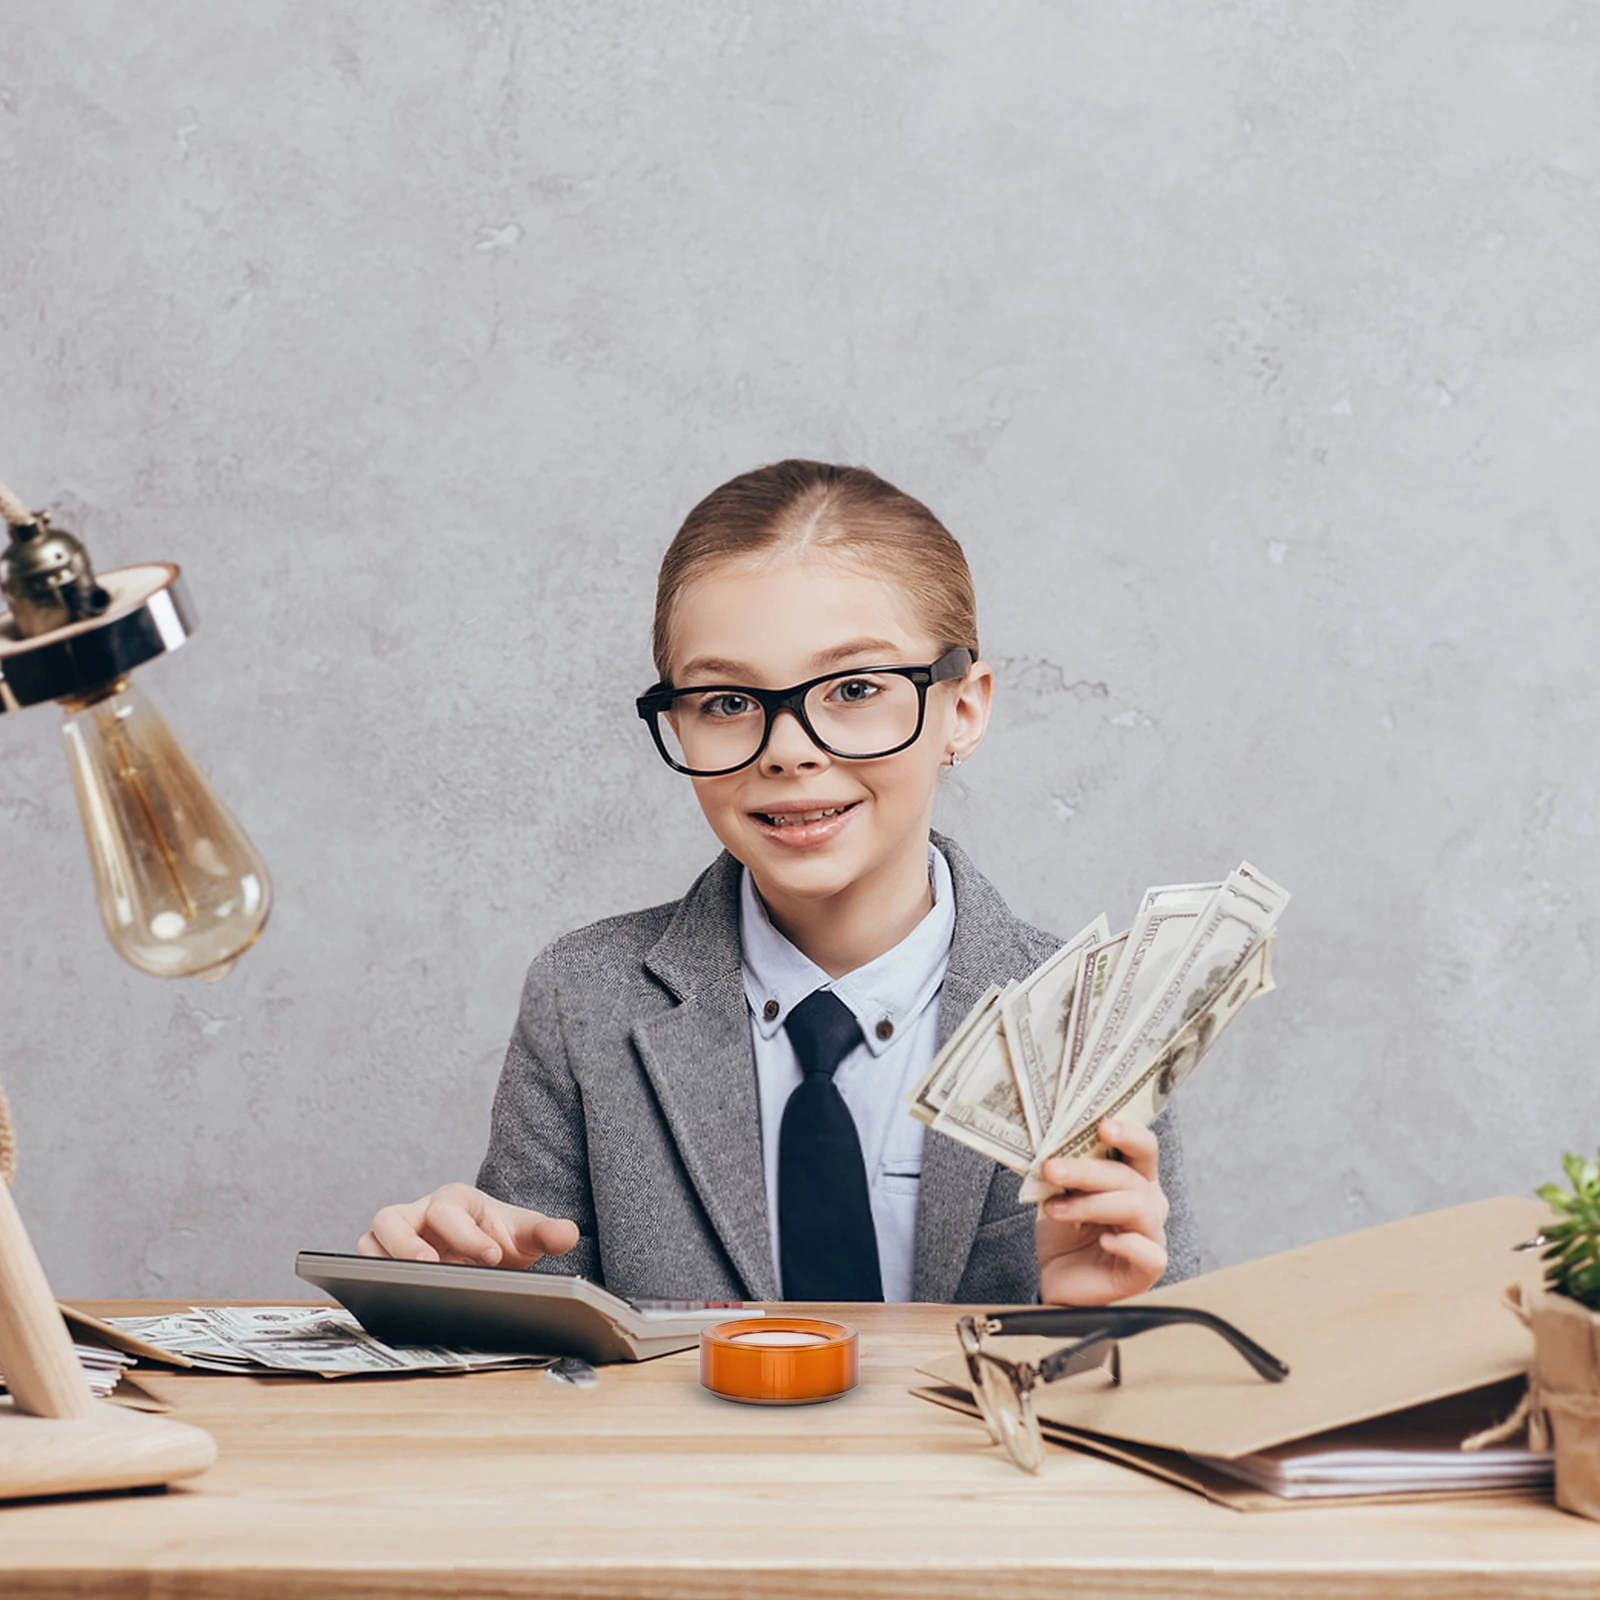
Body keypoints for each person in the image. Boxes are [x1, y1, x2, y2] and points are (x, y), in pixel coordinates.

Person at [360, 460, 1198, 1304]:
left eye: (856, 688)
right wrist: (452, 1299)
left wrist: (1105, 1324)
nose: (787, 749)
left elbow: (1184, 1381)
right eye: (726, 701)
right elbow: (537, 1357)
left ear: (965, 710)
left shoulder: (1088, 1016)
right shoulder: (585, 998)